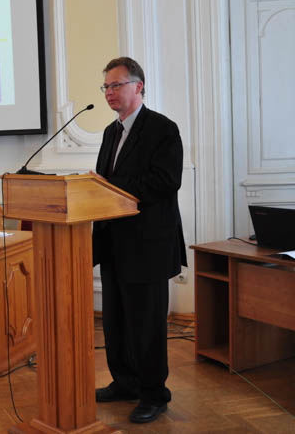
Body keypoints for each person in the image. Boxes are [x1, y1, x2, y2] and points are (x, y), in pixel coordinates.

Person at [91, 57, 186, 424]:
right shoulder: (109, 132)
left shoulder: (162, 129)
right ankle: (125, 382)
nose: (109, 93)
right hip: (114, 243)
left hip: (148, 244)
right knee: (115, 321)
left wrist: (111, 189)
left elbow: (165, 181)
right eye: (106, 87)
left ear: (139, 86)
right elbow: (104, 183)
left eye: (116, 85)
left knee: (146, 326)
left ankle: (153, 393)